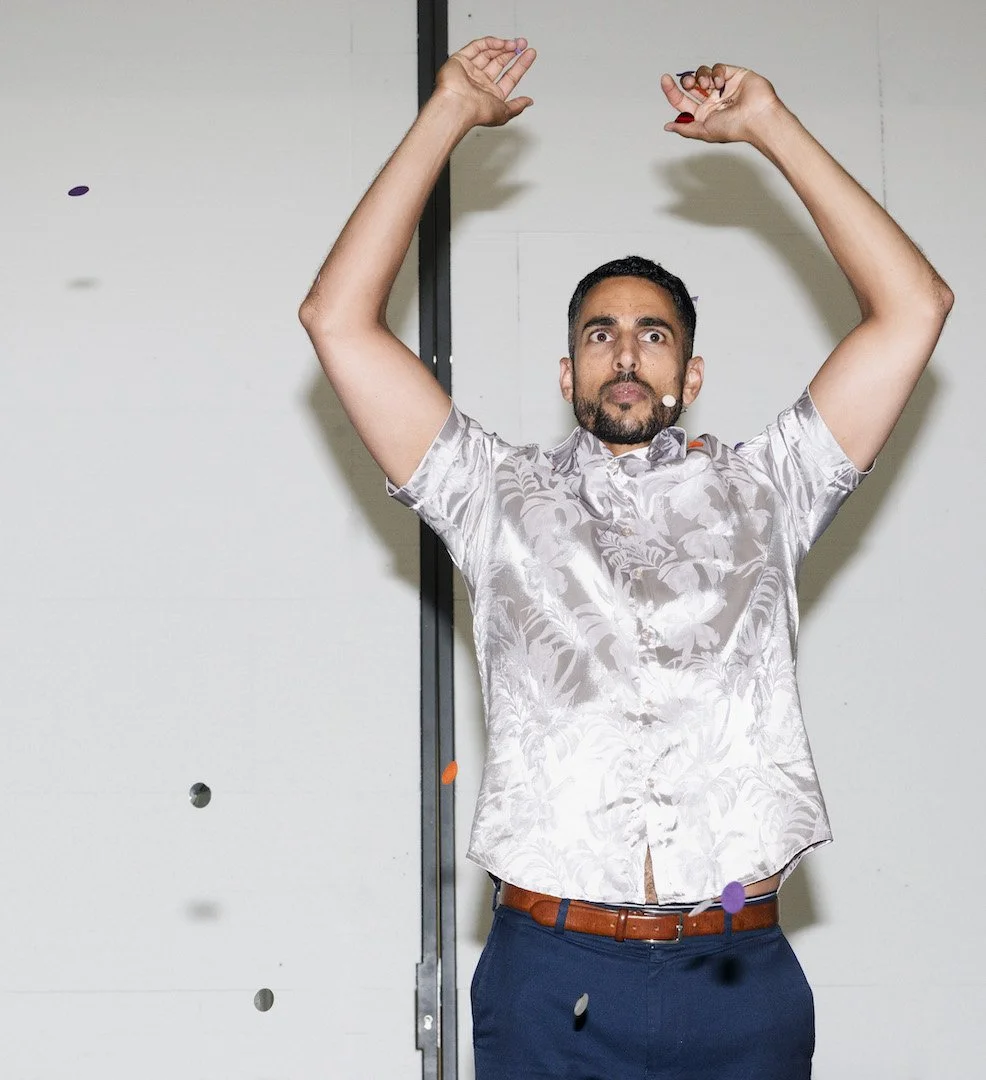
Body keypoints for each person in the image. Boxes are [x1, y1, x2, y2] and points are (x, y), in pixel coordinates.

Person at [298, 35, 952, 1080]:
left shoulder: (767, 488)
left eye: (652, 334)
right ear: (567, 371)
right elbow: (336, 319)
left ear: (689, 373)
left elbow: (913, 307)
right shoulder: (491, 495)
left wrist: (772, 128)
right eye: (599, 333)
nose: (625, 349)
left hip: (739, 981)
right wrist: (446, 116)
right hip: (546, 976)